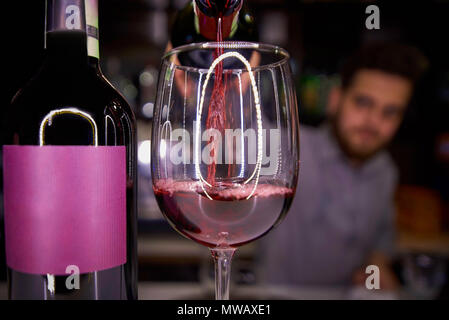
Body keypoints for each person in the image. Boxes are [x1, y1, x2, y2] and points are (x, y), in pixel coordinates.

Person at [259, 43, 428, 291]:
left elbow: (382, 242)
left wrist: (378, 267)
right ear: (336, 99)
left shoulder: (386, 172)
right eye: (363, 103)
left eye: (390, 112)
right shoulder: (290, 148)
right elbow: (243, 131)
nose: (374, 122)